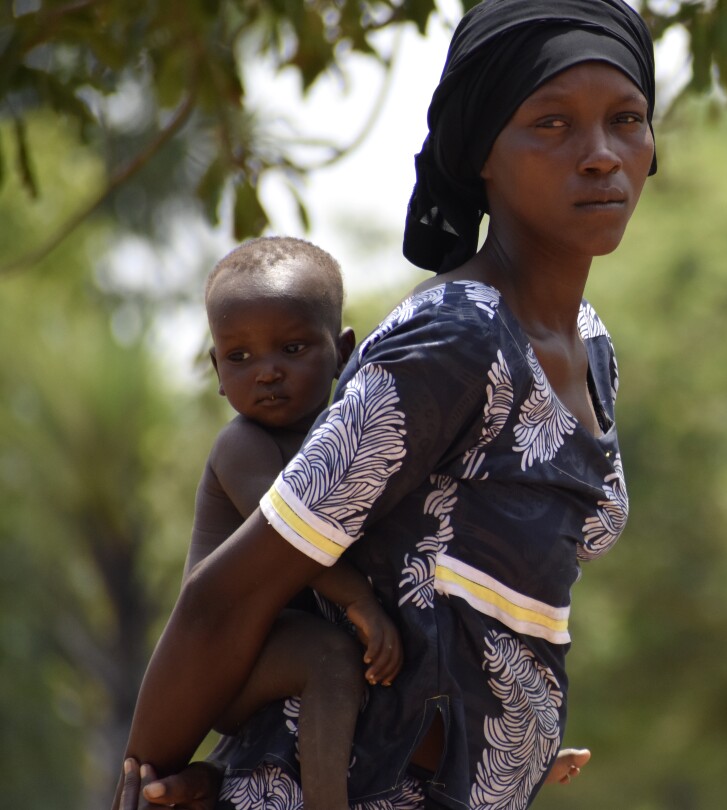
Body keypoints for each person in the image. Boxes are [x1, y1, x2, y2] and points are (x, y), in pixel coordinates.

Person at [114, 0, 655, 807]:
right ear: (482, 156)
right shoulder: (455, 340)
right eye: (551, 124)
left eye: (626, 119)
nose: (601, 155)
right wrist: (143, 778)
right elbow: (233, 592)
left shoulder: (589, 341)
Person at [188, 236, 398, 810]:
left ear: (343, 350)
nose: (267, 373)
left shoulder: (348, 441)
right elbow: (293, 542)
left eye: (293, 347)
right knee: (329, 654)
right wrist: (360, 601)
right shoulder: (242, 446)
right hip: (224, 657)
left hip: (284, 654)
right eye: (240, 357)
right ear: (216, 368)